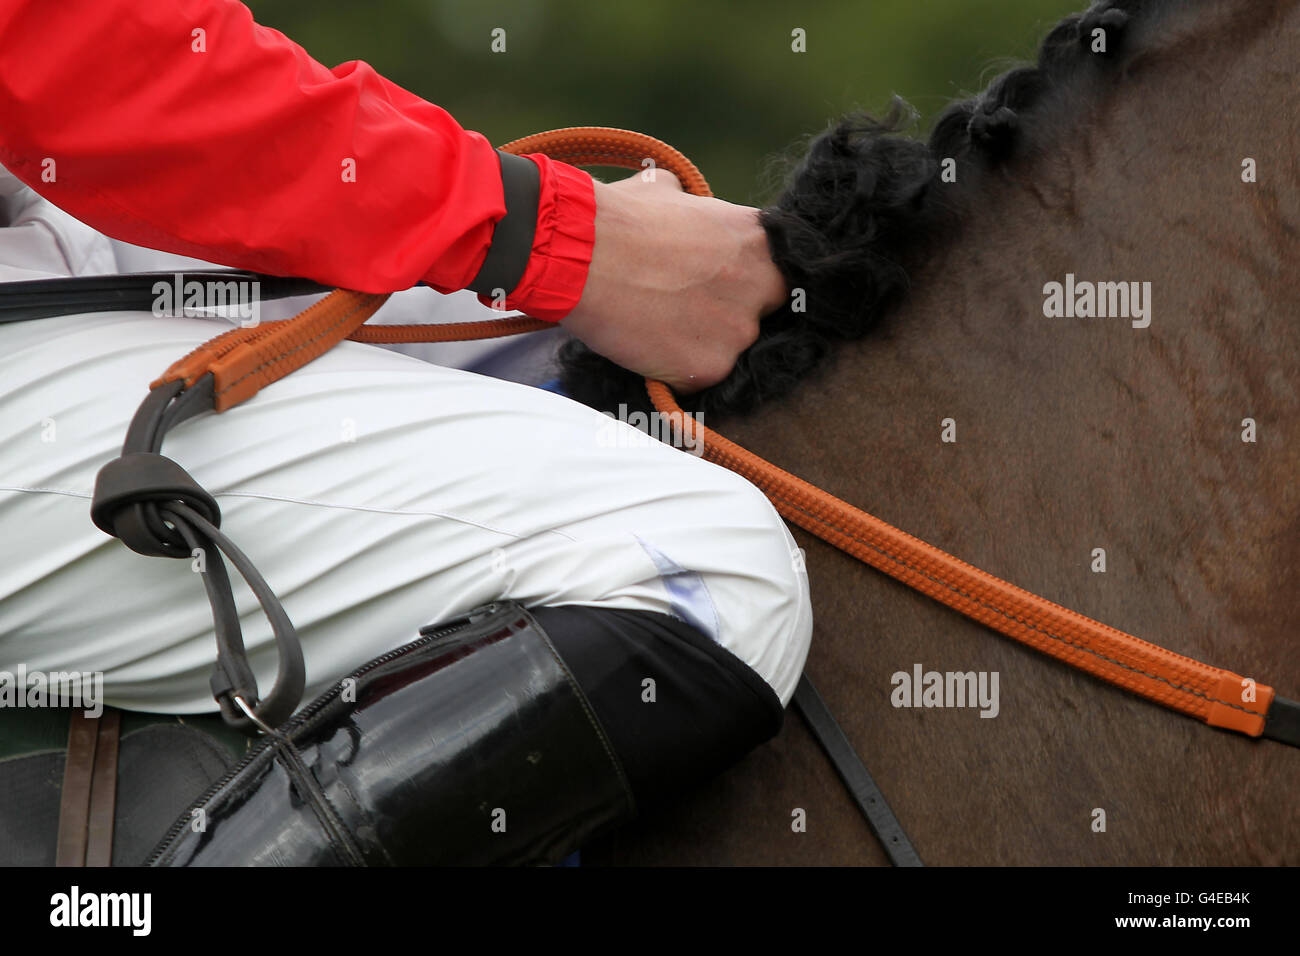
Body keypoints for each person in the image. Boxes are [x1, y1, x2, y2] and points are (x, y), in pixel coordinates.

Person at [0, 0, 811, 863]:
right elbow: (81, 49)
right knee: (704, 568)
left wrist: (536, 226)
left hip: (48, 204)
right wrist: (559, 236)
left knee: (529, 337)